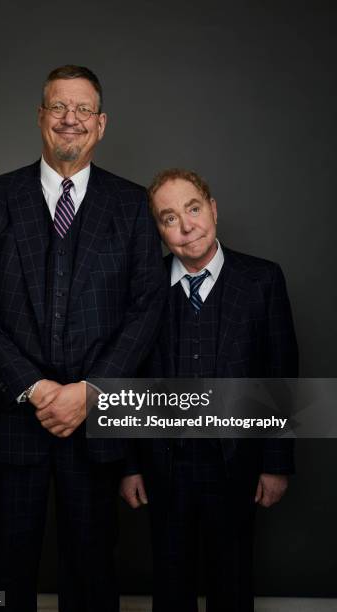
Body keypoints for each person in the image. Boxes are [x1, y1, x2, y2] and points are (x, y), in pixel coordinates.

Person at [0, 64, 166, 612]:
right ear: (41, 117)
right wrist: (39, 389)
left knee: (92, 570)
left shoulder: (131, 204)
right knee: (5, 571)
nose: (71, 119)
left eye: (83, 109)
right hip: (10, 419)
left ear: (101, 124)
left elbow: (145, 310)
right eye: (58, 107)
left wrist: (89, 394)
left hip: (95, 428)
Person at [120, 169, 298, 612]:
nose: (186, 226)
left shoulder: (263, 281)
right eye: (168, 218)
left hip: (236, 463)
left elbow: (281, 375)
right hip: (165, 466)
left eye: (193, 209)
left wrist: (276, 464)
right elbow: (127, 379)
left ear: (213, 209)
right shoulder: (143, 289)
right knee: (171, 580)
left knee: (232, 580)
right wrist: (127, 465)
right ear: (158, 230)